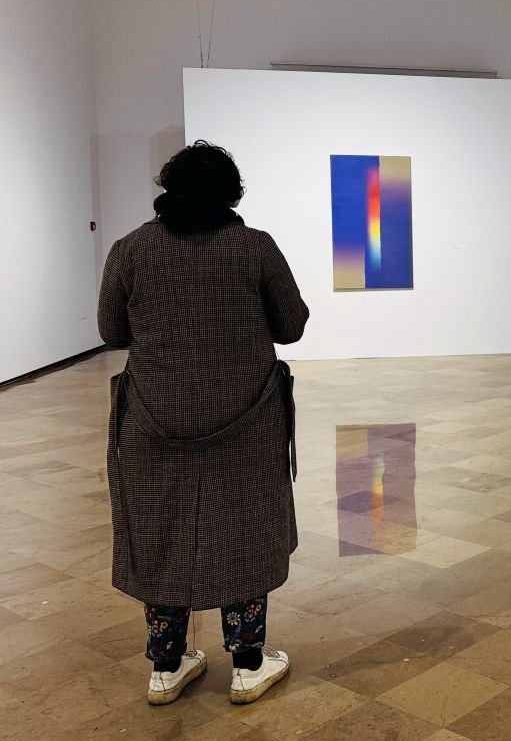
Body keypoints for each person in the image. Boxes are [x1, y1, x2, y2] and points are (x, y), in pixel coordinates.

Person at [98, 140, 309, 706]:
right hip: (246, 423)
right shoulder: (255, 248)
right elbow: (291, 326)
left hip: (153, 421)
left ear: (167, 188)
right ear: (232, 194)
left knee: (159, 528)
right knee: (245, 529)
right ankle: (248, 664)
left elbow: (111, 332)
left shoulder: (129, 249)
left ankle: (166, 666)